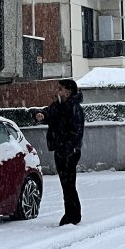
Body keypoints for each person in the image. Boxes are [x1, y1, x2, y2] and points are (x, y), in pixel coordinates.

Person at [34, 79, 85, 225]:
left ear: (68, 92)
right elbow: (49, 113)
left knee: (68, 184)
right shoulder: (59, 106)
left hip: (69, 152)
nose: (58, 91)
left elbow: (77, 132)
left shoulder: (74, 108)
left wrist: (67, 149)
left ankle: (72, 215)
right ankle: (72, 214)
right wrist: (41, 115)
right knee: (66, 184)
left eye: (60, 89)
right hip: (61, 150)